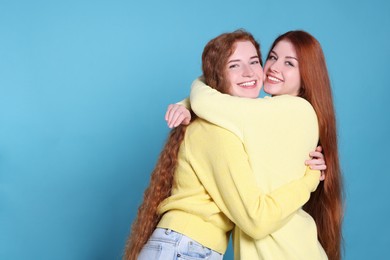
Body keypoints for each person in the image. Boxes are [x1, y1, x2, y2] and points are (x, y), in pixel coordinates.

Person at [124, 30, 326, 260]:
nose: (251, 72)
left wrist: (192, 95)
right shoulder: (219, 131)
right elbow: (255, 219)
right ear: (218, 75)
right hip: (185, 248)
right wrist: (310, 179)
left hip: (186, 246)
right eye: (234, 65)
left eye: (254, 62)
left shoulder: (252, 119)